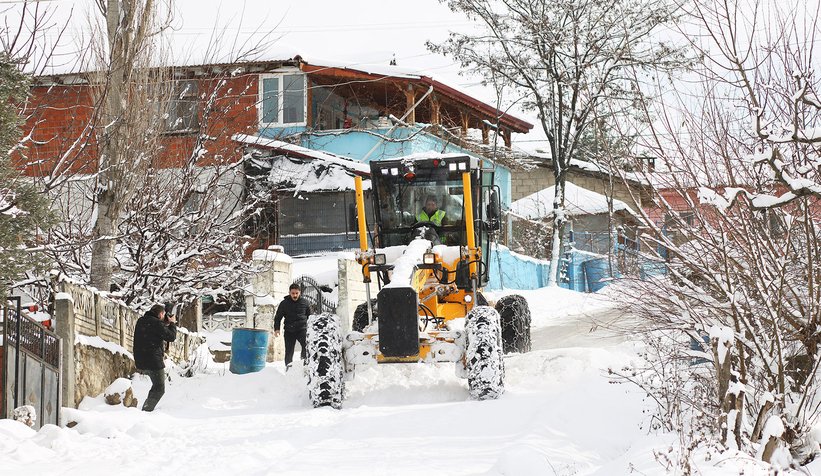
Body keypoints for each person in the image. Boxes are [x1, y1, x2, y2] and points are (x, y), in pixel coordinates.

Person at [133, 303, 177, 412]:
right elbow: (171, 336)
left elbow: (154, 331)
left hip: (140, 359)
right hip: (153, 360)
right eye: (164, 315)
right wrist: (172, 323)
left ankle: (147, 408)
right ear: (161, 314)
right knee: (159, 388)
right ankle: (146, 410)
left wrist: (165, 323)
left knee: (156, 386)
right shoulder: (156, 323)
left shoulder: (141, 321)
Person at [274, 283, 311, 370]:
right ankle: (289, 369)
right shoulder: (284, 303)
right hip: (289, 330)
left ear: (300, 292)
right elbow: (278, 317)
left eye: (296, 293)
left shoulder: (305, 302)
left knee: (306, 346)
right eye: (293, 293)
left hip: (302, 329)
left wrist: (311, 328)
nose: (295, 295)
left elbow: (310, 316)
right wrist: (277, 329)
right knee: (289, 351)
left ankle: (304, 364)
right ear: (289, 293)